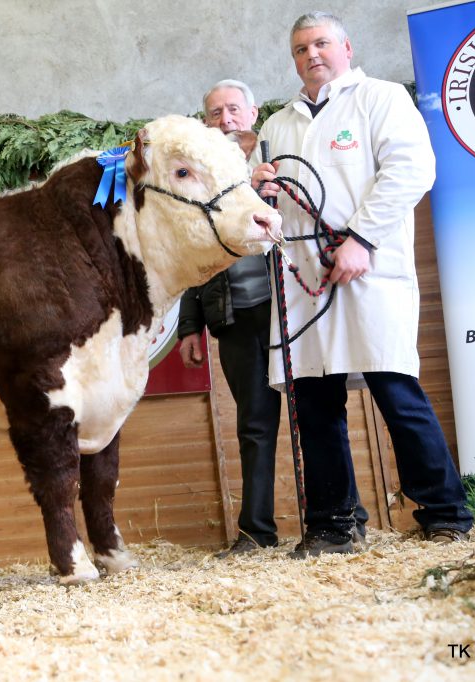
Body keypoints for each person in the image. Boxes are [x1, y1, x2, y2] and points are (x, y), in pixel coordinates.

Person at [252, 11, 474, 558]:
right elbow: (272, 215)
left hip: (369, 273)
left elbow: (411, 169)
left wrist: (362, 240)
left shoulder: (380, 99)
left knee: (396, 391)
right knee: (313, 399)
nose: (312, 55)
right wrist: (256, 194)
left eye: (322, 43)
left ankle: (446, 516)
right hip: (305, 281)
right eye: (301, 48)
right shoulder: (276, 127)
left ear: (346, 47)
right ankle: (334, 525)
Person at [179, 80, 282, 557]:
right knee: (254, 424)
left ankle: (339, 520)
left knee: (319, 417)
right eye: (215, 112)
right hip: (235, 315)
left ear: (253, 112)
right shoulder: (200, 179)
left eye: (234, 109)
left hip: (290, 312)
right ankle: (257, 533)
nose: (226, 119)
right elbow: (193, 255)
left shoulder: (279, 152)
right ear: (206, 123)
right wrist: (188, 326)